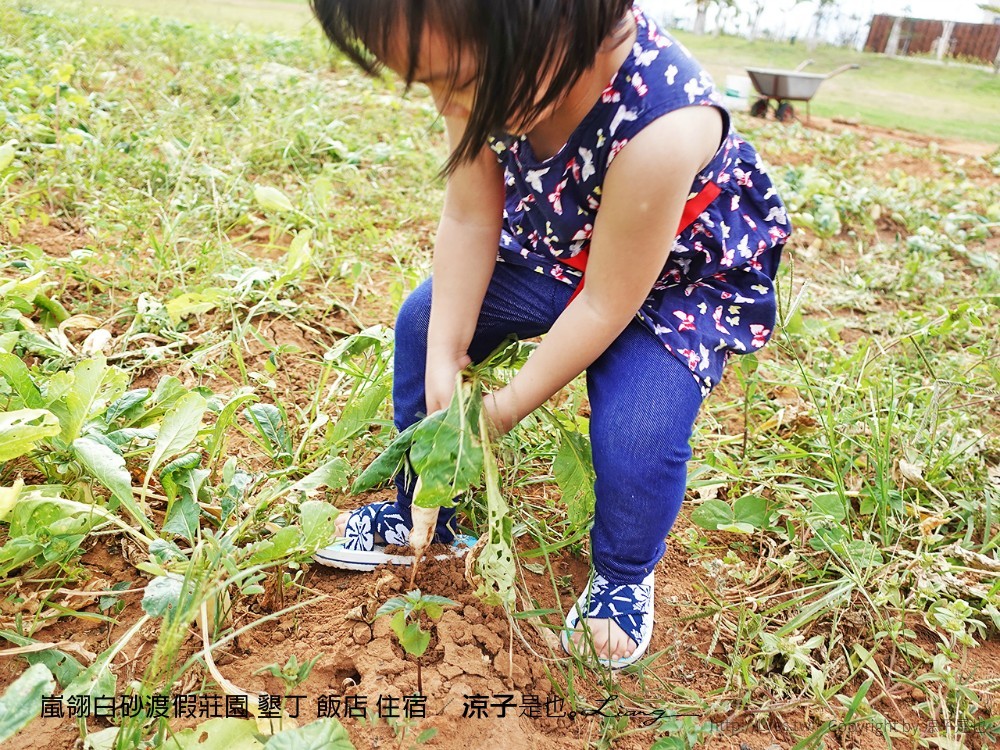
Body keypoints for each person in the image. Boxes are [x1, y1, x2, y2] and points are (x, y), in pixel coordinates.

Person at [309, 0, 790, 669]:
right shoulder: (485, 68)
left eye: (459, 79)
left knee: (638, 434)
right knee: (425, 323)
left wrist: (502, 409)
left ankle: (622, 576)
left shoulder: (665, 124)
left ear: (555, 24)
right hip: (560, 252)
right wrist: (448, 352)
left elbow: (605, 305)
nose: (449, 100)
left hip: (670, 285)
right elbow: (473, 217)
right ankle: (425, 514)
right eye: (429, 82)